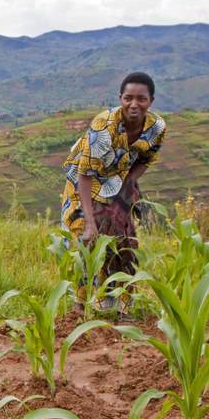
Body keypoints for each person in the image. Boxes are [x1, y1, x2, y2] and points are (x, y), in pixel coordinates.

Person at [60, 71, 166, 315]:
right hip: (84, 184)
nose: (134, 104)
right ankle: (80, 308)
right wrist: (89, 223)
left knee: (124, 245)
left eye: (141, 98)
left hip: (117, 182)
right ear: (120, 98)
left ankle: (121, 307)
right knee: (85, 243)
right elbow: (84, 175)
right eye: (128, 98)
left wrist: (127, 185)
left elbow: (147, 159)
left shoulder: (156, 127)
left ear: (151, 101)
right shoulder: (104, 126)